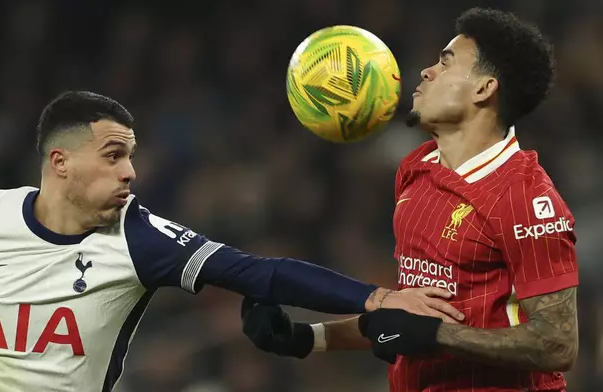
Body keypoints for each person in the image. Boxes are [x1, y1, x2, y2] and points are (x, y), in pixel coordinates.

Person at [0, 91, 464, 391]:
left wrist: (378, 297)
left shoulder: (138, 238)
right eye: (113, 156)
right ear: (61, 163)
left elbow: (257, 273)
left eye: (131, 156)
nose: (130, 172)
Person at [241, 7, 579, 392]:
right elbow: (403, 322)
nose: (426, 71)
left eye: (445, 62)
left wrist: (435, 335)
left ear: (484, 88)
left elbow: (557, 344)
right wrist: (305, 337)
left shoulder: (527, 197)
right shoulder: (416, 168)